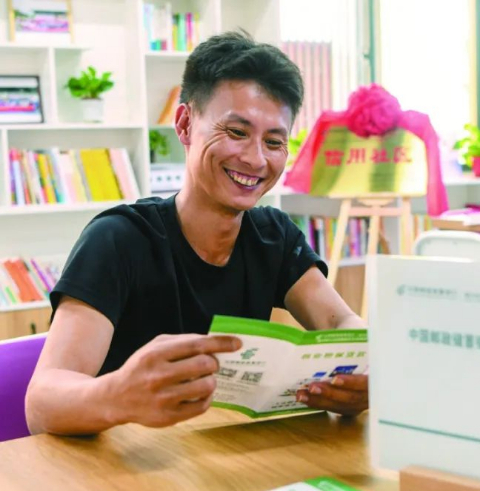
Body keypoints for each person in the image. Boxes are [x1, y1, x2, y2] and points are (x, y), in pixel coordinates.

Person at [26, 31, 368, 436]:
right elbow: (42, 402)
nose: (256, 159)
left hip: (223, 456)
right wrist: (118, 394)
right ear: (186, 124)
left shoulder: (274, 236)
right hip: (126, 461)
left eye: (274, 141)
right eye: (237, 132)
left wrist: (364, 375)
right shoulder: (117, 239)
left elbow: (341, 323)